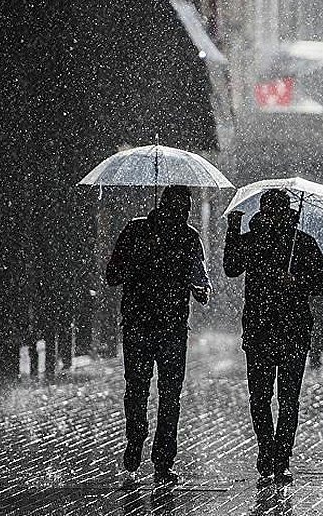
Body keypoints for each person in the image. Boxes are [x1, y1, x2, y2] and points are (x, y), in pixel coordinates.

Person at [223, 189, 323, 486]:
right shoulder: (254, 239)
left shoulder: (303, 243)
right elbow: (231, 268)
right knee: (260, 397)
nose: (273, 218)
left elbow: (322, 282)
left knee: (287, 399)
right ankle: (267, 450)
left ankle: (280, 457)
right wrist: (233, 230)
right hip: (260, 330)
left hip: (292, 330)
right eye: (269, 212)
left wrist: (296, 280)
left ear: (287, 213)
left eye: (277, 212)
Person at [106, 185, 210, 485]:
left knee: (163, 394)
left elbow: (199, 279)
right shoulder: (137, 231)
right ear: (163, 205)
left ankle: (162, 458)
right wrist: (137, 263)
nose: (181, 215)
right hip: (146, 325)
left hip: (169, 328)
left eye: (184, 210)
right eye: (178, 208)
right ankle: (140, 439)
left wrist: (200, 289)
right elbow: (112, 274)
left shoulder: (187, 237)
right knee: (145, 390)